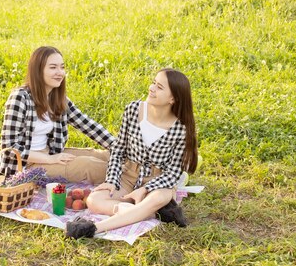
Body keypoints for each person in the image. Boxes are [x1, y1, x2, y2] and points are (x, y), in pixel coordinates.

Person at [65, 68, 198, 238]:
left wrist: (144, 189)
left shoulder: (181, 128)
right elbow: (118, 149)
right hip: (128, 175)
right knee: (93, 200)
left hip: (158, 182)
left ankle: (93, 228)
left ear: (173, 98)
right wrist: (112, 181)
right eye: (153, 83)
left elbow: (173, 174)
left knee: (157, 198)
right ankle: (149, 212)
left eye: (159, 87)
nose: (152, 88)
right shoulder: (133, 110)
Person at [0, 46, 115, 184]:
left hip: (50, 153)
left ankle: (139, 170)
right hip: (25, 166)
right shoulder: (20, 97)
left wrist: (119, 148)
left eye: (62, 67)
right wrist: (50, 160)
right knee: (89, 166)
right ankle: (133, 179)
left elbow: (89, 126)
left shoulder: (57, 99)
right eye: (53, 67)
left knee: (106, 156)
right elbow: (9, 148)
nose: (60, 73)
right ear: (38, 71)